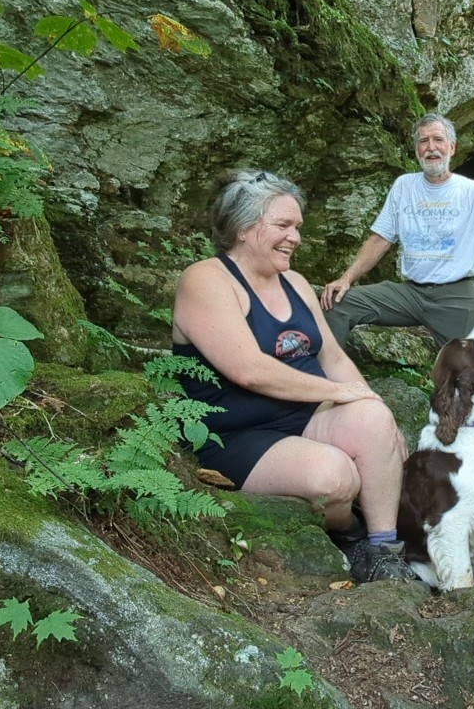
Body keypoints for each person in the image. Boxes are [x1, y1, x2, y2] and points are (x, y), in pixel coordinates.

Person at [172, 169, 418, 584]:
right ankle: (350, 532)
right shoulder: (206, 279)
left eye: (297, 227)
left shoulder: (296, 282)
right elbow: (249, 370)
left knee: (374, 418)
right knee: (334, 478)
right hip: (237, 437)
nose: (296, 237)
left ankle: (383, 549)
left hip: (305, 421)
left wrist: (373, 405)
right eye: (283, 225)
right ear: (245, 227)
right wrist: (339, 392)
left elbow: (334, 357)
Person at [321, 114, 474, 348]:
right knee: (337, 303)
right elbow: (381, 238)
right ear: (417, 149)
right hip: (410, 293)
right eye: (423, 141)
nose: (431, 148)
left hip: (457, 296)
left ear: (452, 147)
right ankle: (334, 382)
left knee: (465, 374)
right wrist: (346, 279)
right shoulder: (404, 186)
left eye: (438, 140)